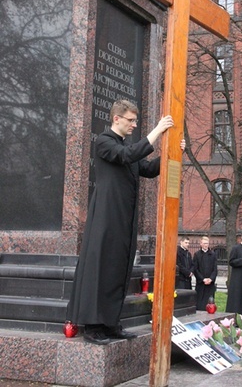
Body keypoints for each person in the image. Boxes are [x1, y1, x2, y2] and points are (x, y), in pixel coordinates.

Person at [66, 100, 176, 345]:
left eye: (135, 121)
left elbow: (146, 168)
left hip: (123, 216)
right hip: (106, 216)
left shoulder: (127, 147)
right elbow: (128, 155)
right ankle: (93, 326)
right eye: (130, 120)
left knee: (118, 268)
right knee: (102, 267)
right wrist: (157, 130)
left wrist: (174, 153)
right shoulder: (104, 142)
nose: (133, 125)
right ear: (116, 119)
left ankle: (110, 323)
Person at [193, 236, 218, 310]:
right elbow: (195, 269)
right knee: (200, 302)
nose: (206, 245)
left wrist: (211, 279)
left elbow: (215, 269)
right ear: (200, 244)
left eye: (207, 243)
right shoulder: (197, 254)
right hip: (201, 283)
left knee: (210, 301)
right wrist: (202, 279)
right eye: (204, 243)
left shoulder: (213, 254)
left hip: (210, 283)